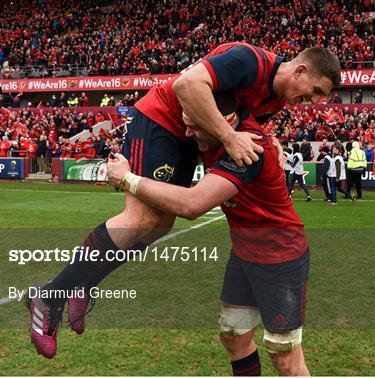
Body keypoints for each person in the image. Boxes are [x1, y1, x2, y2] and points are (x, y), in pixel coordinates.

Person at [26, 43, 340, 359]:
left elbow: (240, 120)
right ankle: (49, 296)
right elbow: (185, 84)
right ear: (300, 70)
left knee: (161, 225)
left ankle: (83, 281)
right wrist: (230, 138)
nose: (312, 102)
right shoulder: (252, 61)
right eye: (315, 90)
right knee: (141, 219)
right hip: (161, 120)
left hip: (192, 136)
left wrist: (267, 141)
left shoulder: (276, 99)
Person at [107, 98, 311, 376]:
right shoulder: (217, 138)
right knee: (233, 336)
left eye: (195, 128)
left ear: (222, 125)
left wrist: (127, 178)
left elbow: (192, 205)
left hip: (280, 258)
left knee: (284, 355)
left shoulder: (248, 151)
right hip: (244, 255)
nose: (188, 134)